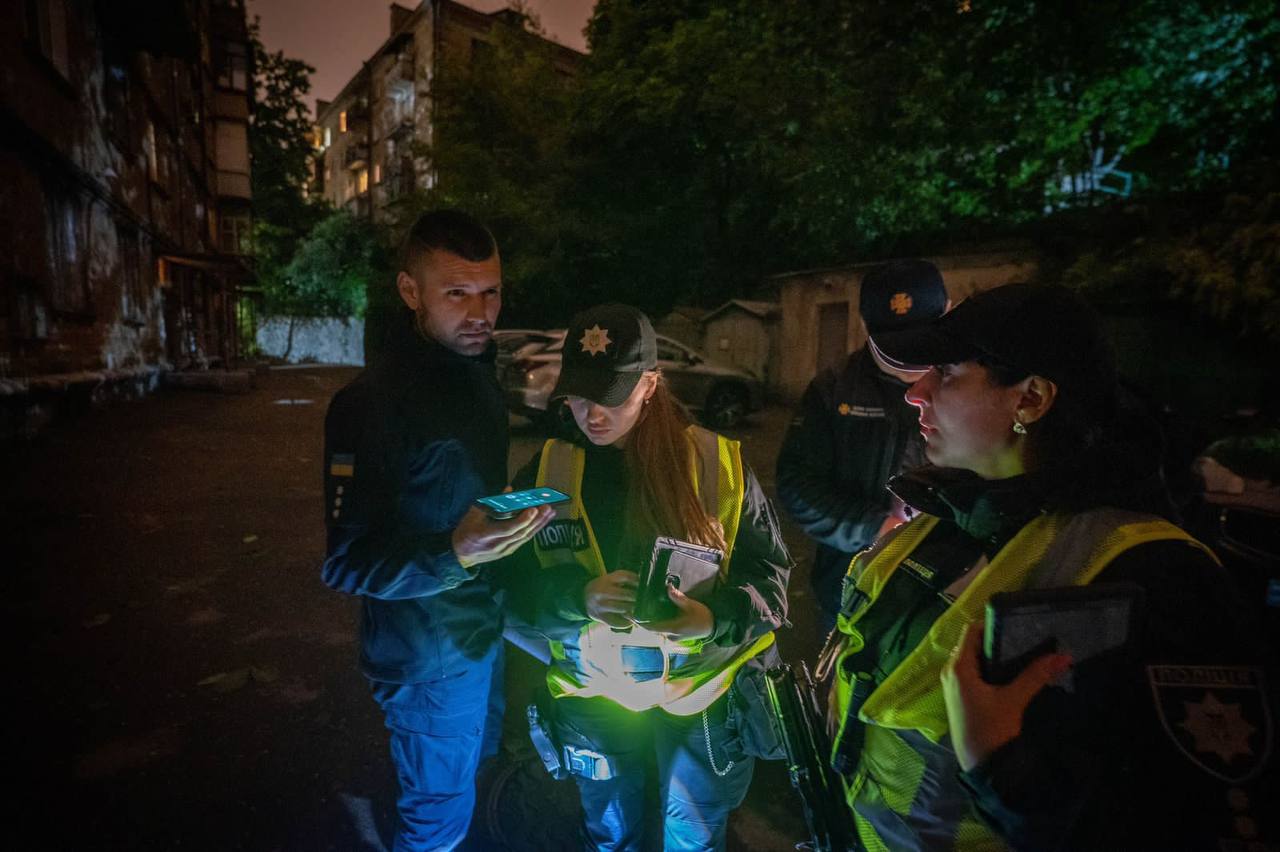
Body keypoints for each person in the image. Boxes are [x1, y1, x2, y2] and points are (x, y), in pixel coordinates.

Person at [822, 283, 1276, 850]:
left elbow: (1202, 822)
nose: (916, 393)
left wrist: (1003, 768)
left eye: (948, 372)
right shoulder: (948, 519)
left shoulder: (1160, 577)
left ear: (1031, 399)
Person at [499, 303, 792, 852]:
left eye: (610, 396)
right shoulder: (545, 470)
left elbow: (771, 583)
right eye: (578, 397)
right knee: (612, 835)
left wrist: (712, 619)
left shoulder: (718, 463)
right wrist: (577, 598)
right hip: (595, 696)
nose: (592, 415)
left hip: (701, 695)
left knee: (693, 836)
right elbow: (505, 586)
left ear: (651, 384)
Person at [320, 210, 553, 851]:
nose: (481, 313)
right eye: (457, 293)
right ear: (410, 291)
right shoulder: (368, 404)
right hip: (427, 659)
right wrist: (453, 551)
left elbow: (466, 498)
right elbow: (346, 562)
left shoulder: (479, 376)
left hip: (485, 634)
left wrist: (513, 513)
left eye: (491, 292)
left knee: (469, 786)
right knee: (435, 821)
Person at [776, 259, 948, 633]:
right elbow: (796, 482)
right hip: (850, 586)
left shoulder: (970, 385)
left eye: (921, 343)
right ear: (866, 325)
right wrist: (875, 527)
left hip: (942, 593)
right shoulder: (834, 388)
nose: (911, 365)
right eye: (895, 347)